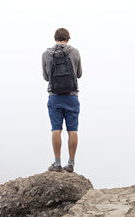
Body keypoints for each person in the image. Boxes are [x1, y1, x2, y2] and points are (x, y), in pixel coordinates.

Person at [42, 28, 82, 172]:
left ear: (55, 38)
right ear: (68, 39)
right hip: (71, 96)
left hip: (55, 97)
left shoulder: (46, 54)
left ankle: (57, 163)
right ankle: (71, 163)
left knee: (56, 129)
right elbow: (79, 74)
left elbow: (46, 77)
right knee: (72, 130)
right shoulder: (75, 52)